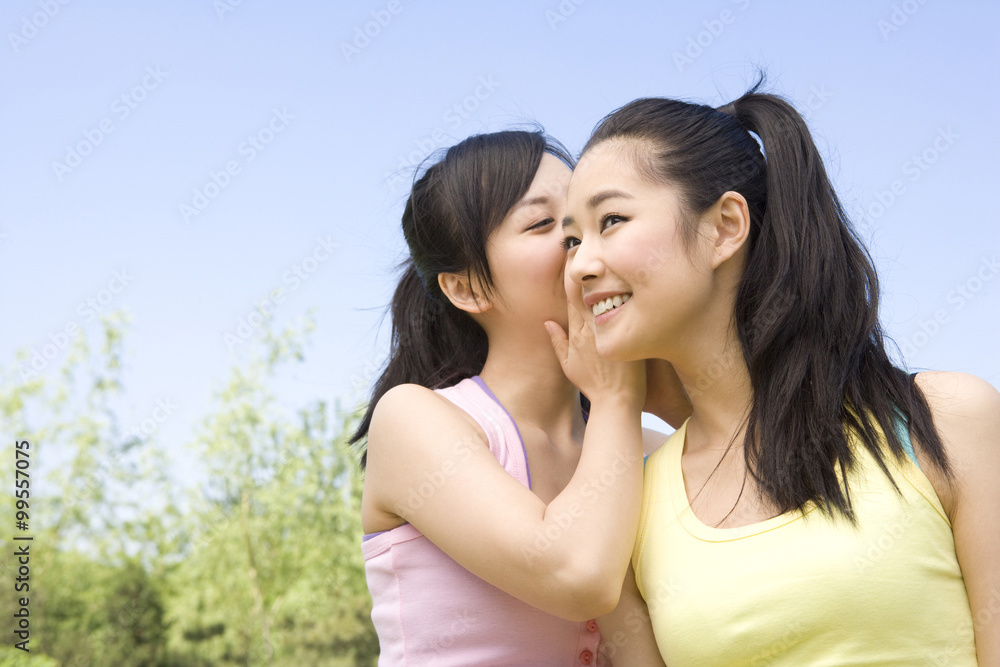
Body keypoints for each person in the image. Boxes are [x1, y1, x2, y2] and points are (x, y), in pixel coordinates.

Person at [561, 81, 1000, 664]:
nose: (581, 265)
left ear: (724, 227)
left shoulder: (943, 420)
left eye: (611, 220)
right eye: (570, 239)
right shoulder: (631, 509)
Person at [352, 129, 689, 665]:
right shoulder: (416, 419)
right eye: (542, 223)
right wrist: (616, 398)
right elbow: (577, 575)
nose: (577, 241)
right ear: (467, 288)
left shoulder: (645, 444)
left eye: (586, 218)